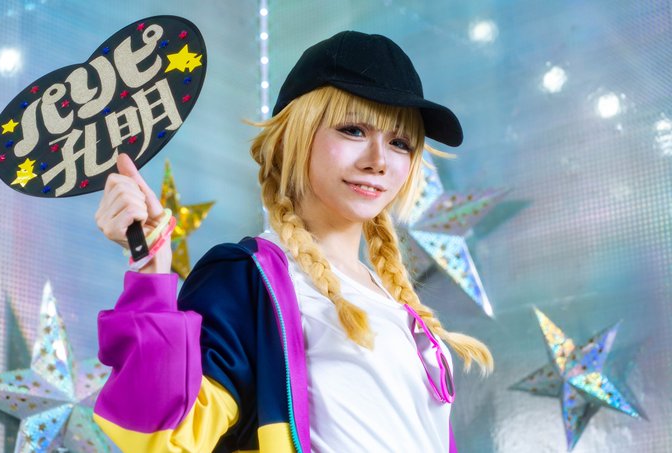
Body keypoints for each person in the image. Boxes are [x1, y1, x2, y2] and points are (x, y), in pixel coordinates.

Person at [92, 30, 493, 453]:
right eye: (353, 130)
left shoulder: (397, 304)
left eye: (399, 142)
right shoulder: (249, 277)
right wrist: (151, 271)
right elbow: (161, 438)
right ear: (291, 137)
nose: (378, 161)